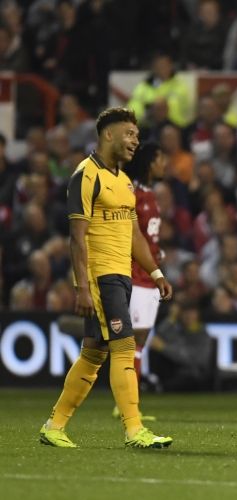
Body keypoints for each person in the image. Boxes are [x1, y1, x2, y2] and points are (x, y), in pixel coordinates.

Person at [39, 108, 174, 449]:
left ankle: (54, 426)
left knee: (94, 354)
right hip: (102, 276)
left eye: (137, 136)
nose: (135, 141)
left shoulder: (124, 181)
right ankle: (134, 429)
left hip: (122, 275)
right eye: (129, 134)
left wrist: (156, 272)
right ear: (108, 134)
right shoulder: (86, 176)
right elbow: (77, 237)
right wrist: (82, 288)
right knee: (124, 346)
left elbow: (135, 235)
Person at [109, 142, 167, 421]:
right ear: (149, 163)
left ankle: (131, 403)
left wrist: (157, 253)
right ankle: (126, 404)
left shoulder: (149, 193)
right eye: (160, 159)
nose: (164, 164)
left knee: (139, 342)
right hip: (136, 274)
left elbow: (147, 236)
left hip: (150, 274)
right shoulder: (131, 192)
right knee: (132, 341)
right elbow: (129, 235)